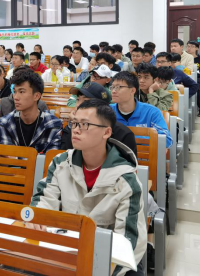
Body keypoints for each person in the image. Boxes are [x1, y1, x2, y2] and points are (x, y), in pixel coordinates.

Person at [30, 99, 147, 276]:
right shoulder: (61, 163)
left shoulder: (126, 180)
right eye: (74, 123)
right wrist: (38, 217)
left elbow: (129, 243)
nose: (76, 130)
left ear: (106, 132)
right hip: (66, 250)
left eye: (85, 124)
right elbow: (44, 199)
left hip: (105, 259)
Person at [0, 69, 62, 152]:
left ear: (36, 96)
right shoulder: (4, 123)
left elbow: (52, 157)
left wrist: (13, 157)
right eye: (14, 92)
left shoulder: (52, 124)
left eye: (21, 92)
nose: (15, 97)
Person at [60, 85, 137, 155]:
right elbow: (65, 156)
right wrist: (75, 123)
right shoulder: (71, 128)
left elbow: (128, 163)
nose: (77, 105)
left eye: (86, 102)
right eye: (77, 100)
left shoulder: (123, 134)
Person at [109, 71, 172, 148]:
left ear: (132, 90)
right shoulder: (107, 112)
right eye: (112, 87)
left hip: (145, 155)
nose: (113, 91)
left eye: (118, 87)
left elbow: (166, 140)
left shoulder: (151, 112)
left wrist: (134, 140)